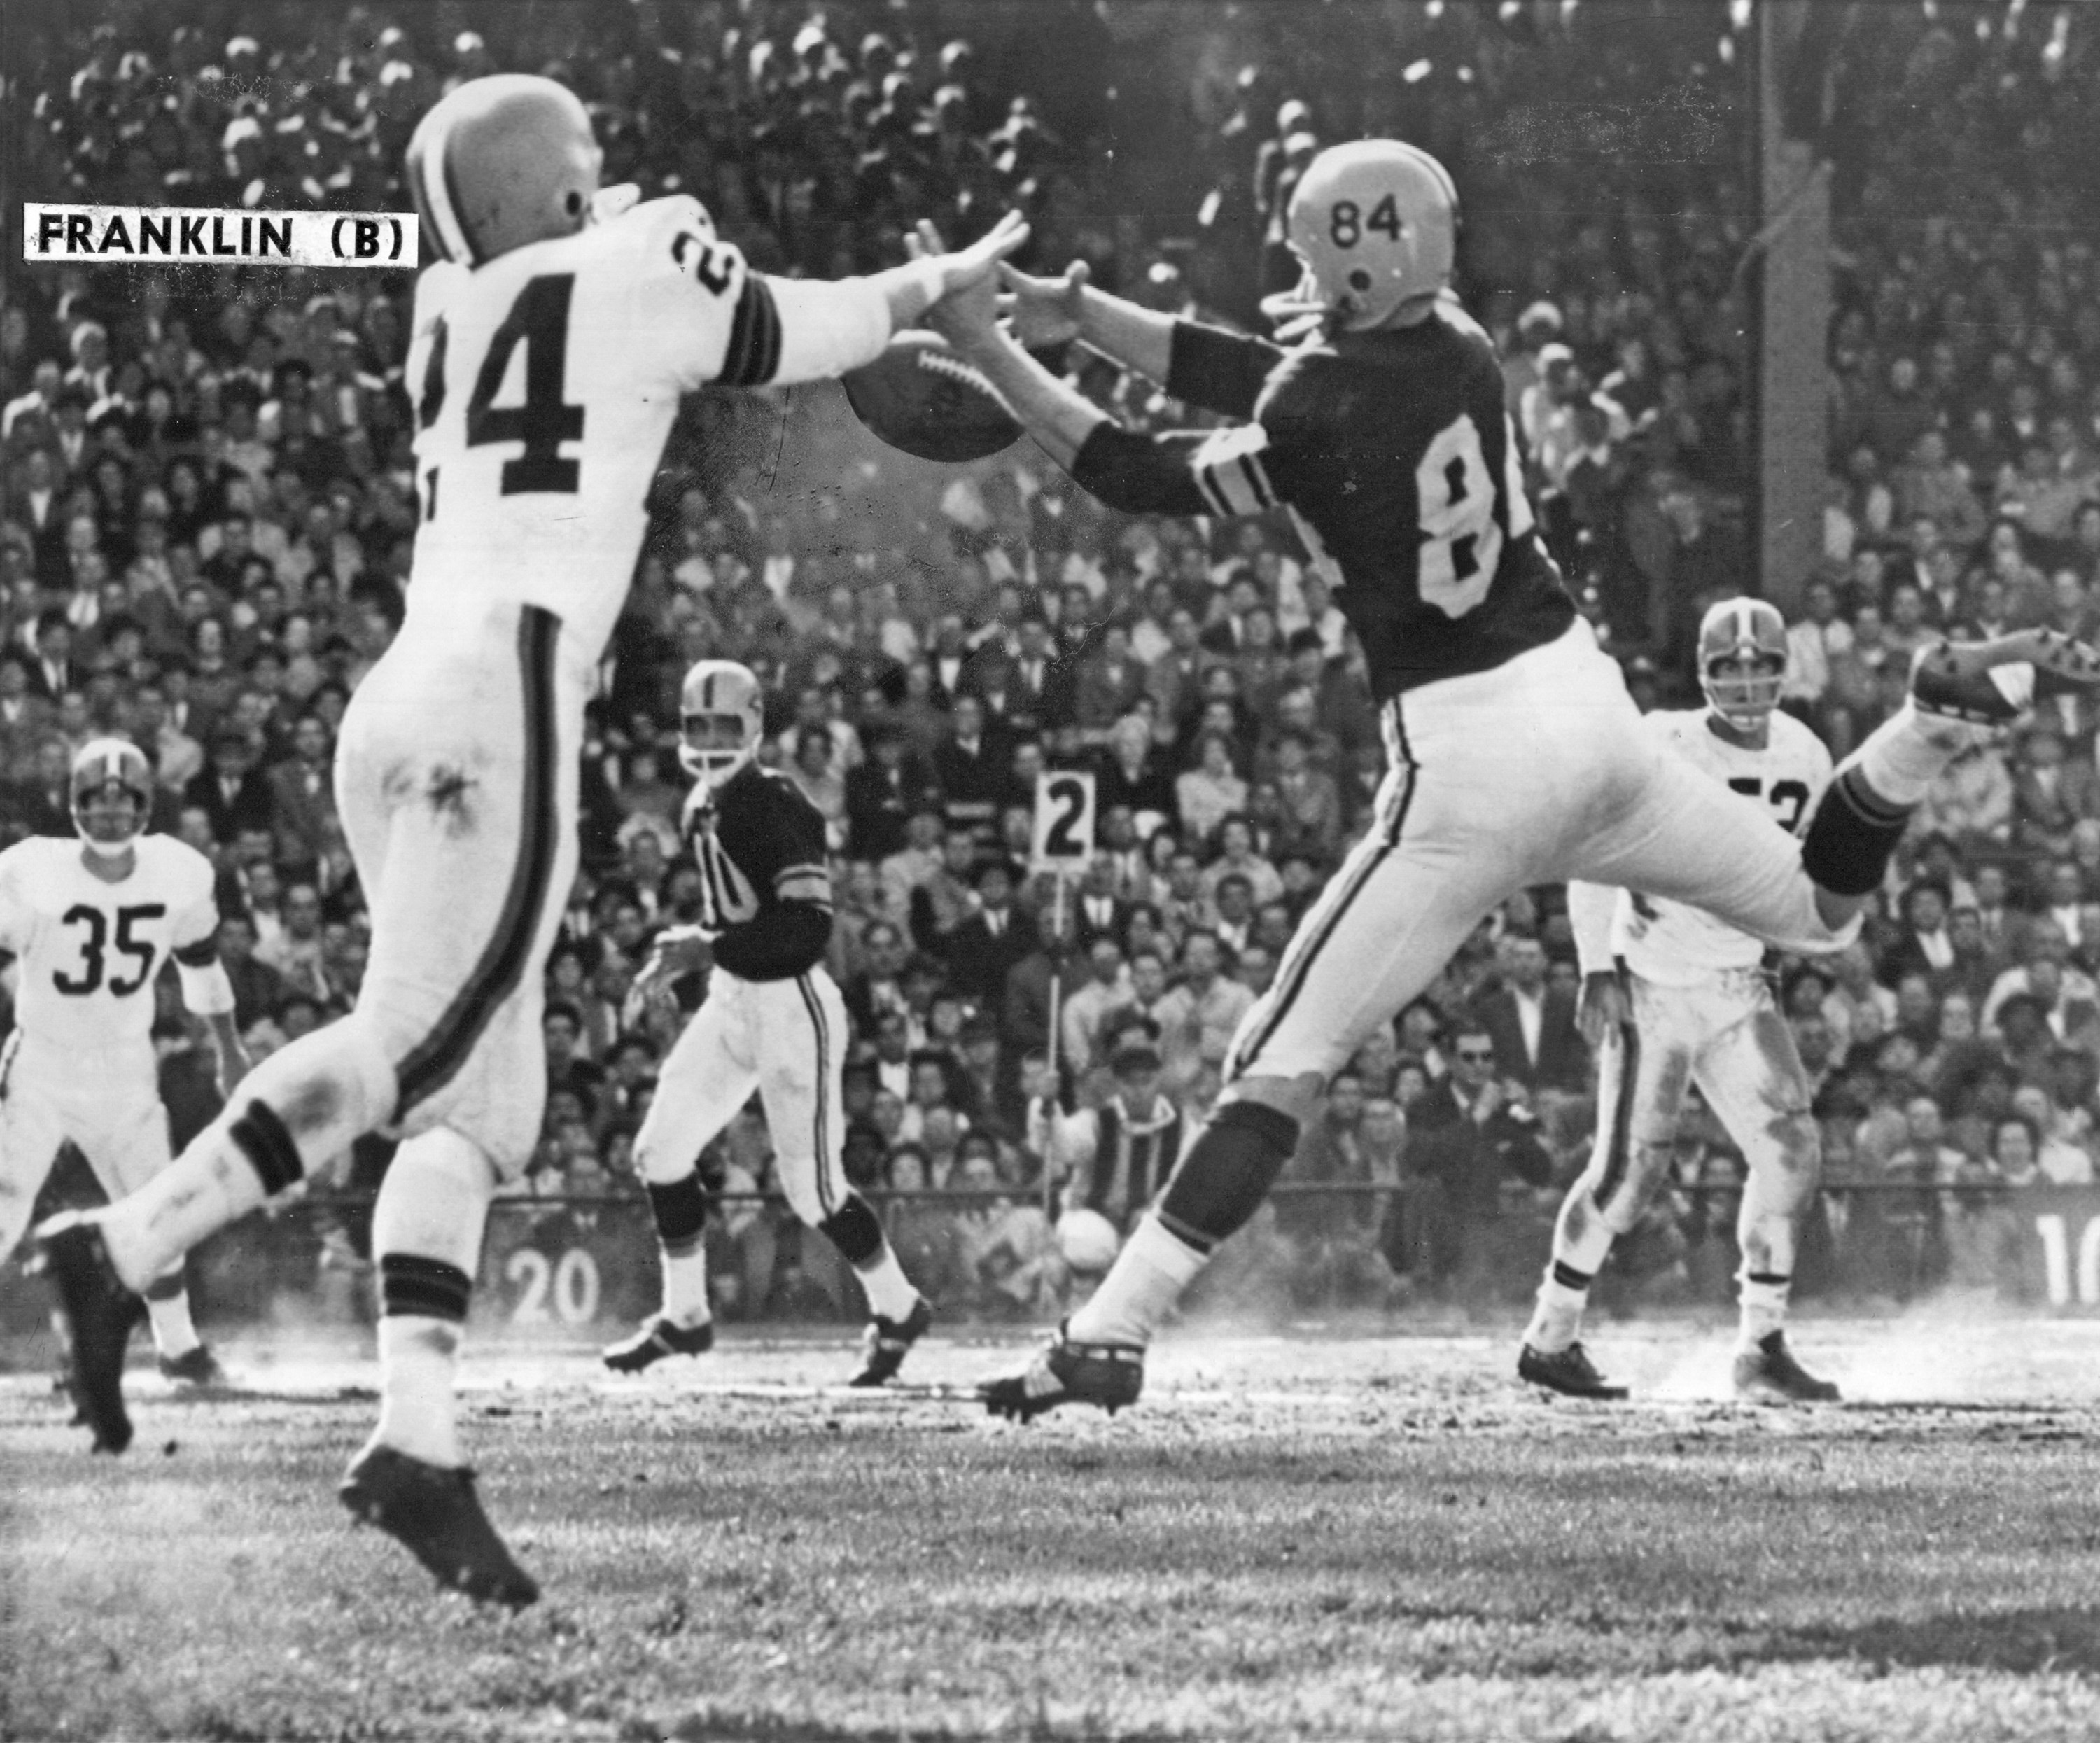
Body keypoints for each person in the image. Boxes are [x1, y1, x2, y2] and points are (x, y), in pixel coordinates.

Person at [34, 72, 1027, 1604]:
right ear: (570, 189)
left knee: (484, 1110)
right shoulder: (639, 261)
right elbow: (801, 333)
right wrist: (932, 285)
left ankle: (416, 1449)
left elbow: (539, 251)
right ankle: (128, 1244)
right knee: (412, 1049)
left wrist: (605, 218)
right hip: (507, 688)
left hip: (405, 697)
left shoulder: (447, 297)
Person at [925, 138, 2100, 1420]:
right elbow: (1278, 375)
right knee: (1822, 911)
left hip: (1467, 763)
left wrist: (994, 351)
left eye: (1319, 257)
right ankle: (1925, 718)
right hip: (1592, 720)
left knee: (1282, 1058)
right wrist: (1082, 314)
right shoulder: (1464, 343)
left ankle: (1113, 1328)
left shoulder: (1323, 396)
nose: (1305, 280)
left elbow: (1136, 470)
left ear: (1360, 260)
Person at [1519, 599, 1841, 1404]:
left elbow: (1814, 873)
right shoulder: (1664, 740)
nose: (1744, 680)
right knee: (1629, 1174)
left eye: (1759, 663)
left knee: (1793, 1151)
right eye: (1727, 667)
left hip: (1738, 984)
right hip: (1654, 978)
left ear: (1782, 668)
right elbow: (1597, 850)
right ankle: (1550, 1334)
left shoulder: (1806, 754)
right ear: (1704, 673)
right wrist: (1596, 965)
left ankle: (1760, 1342)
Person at [602, 661, 933, 1387]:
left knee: (812, 1190)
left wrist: (707, 946)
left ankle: (898, 1306)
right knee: (659, 1153)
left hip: (791, 1004)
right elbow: (739, 914)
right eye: (700, 725)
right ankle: (685, 1317)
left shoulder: (777, 803)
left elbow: (807, 929)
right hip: (732, 998)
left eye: (726, 725)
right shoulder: (701, 802)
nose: (713, 738)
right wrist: (695, 946)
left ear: (754, 724)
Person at [0, 741, 248, 1394]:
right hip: (43, 1059)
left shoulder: (179, 871)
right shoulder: (30, 869)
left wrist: (229, 1047)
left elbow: (201, 966)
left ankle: (179, 1348)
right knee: (4, 1199)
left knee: (157, 1210)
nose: (110, 812)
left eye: (125, 798)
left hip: (126, 1068)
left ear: (147, 804)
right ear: (73, 802)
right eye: (96, 798)